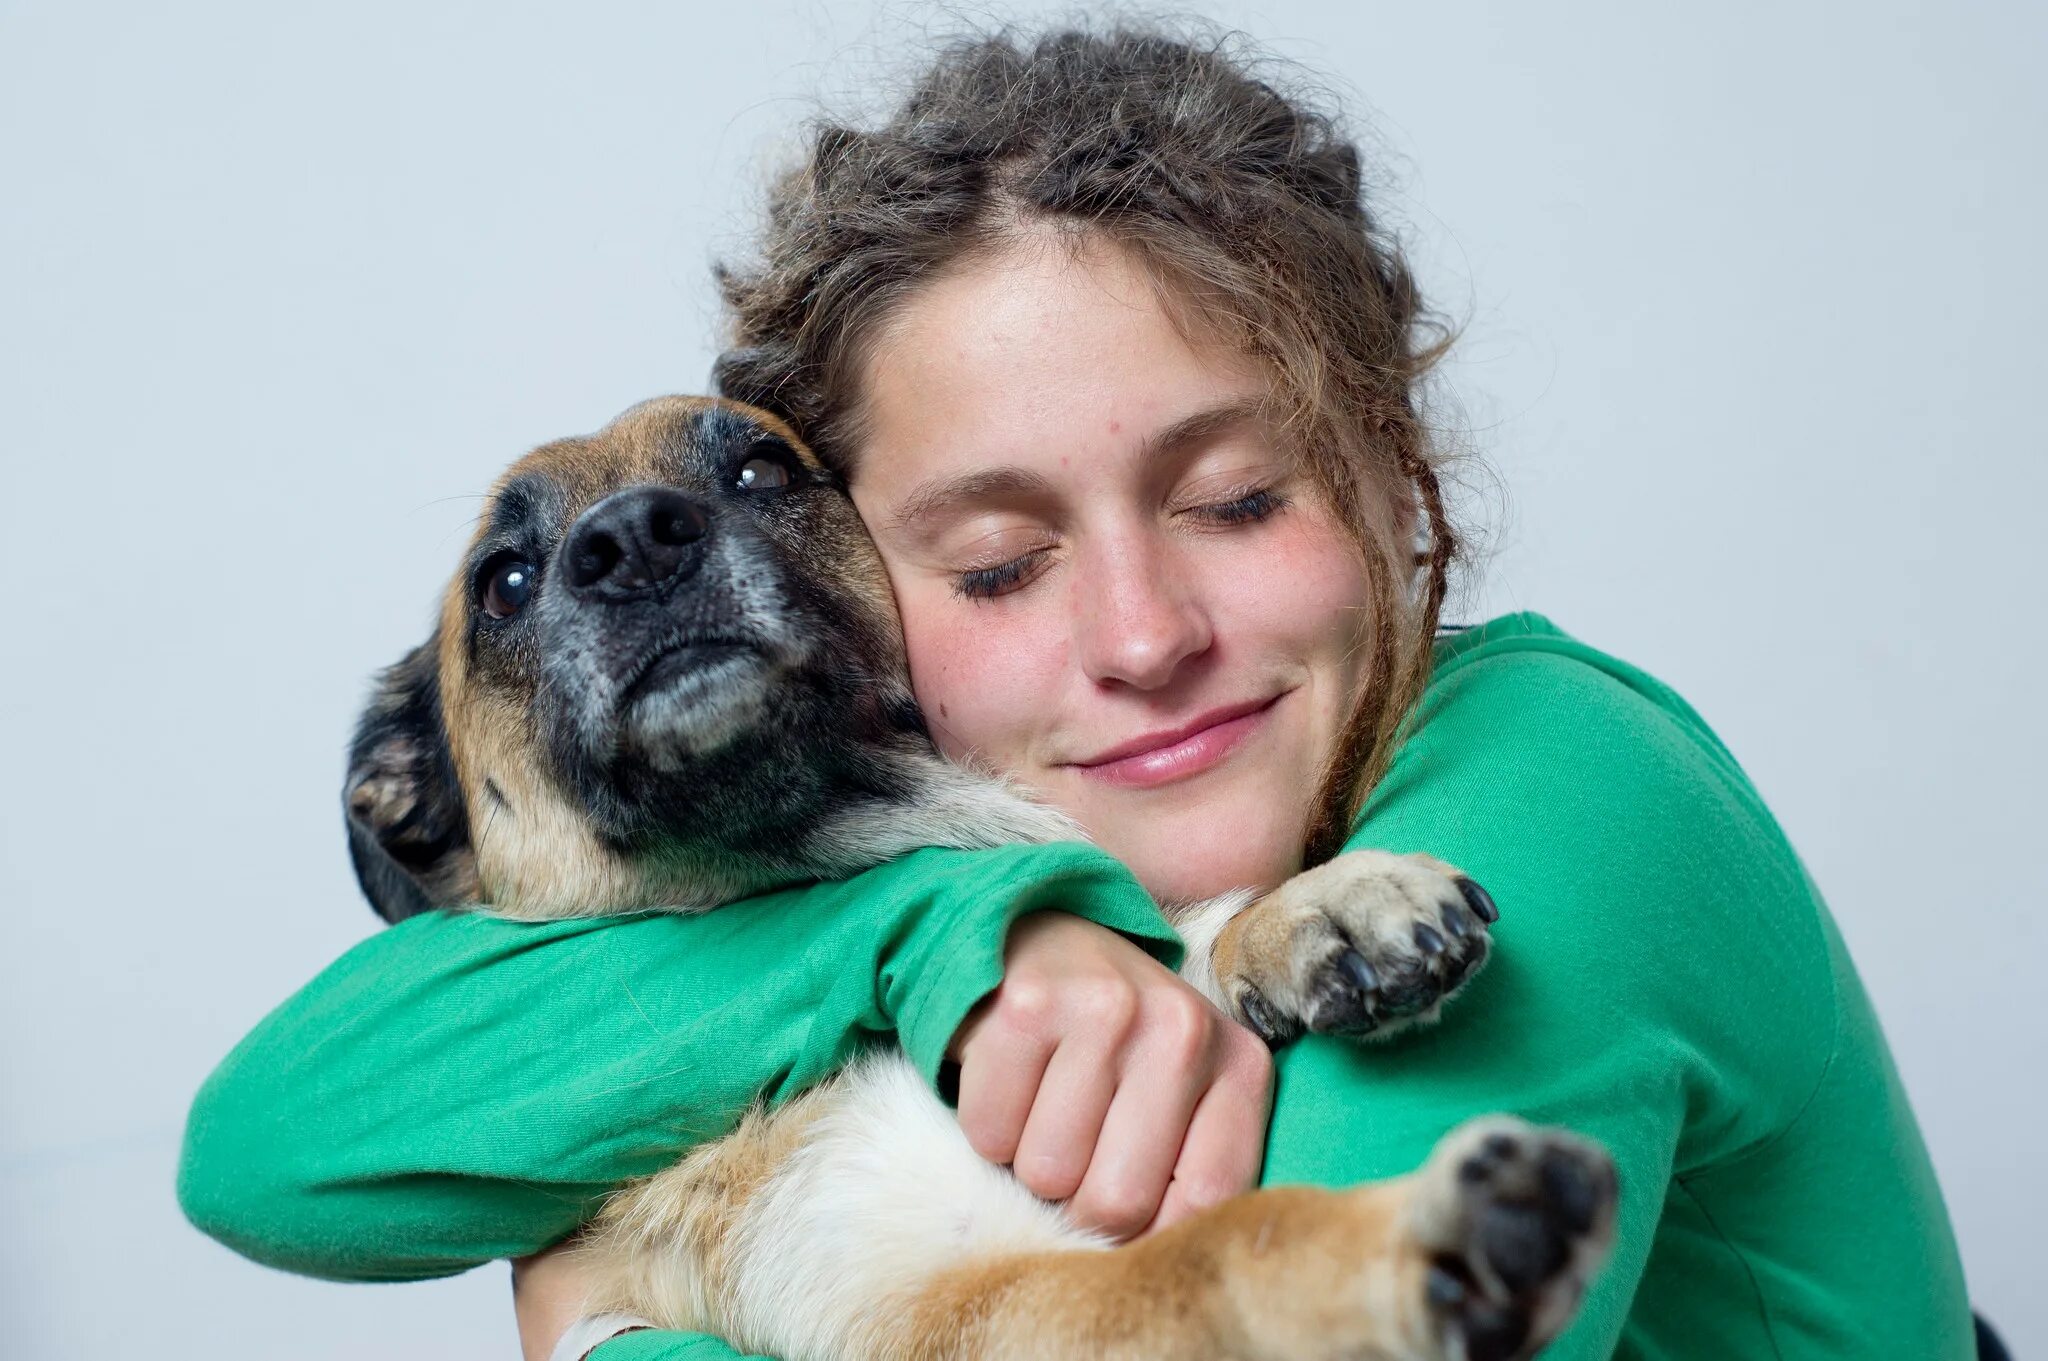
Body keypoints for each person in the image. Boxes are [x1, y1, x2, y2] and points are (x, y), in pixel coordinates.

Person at [177, 22, 1976, 1361]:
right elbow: (264, 1139)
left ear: (1394, 481)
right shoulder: (1026, 902)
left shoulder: (1562, 777)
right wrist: (947, 933)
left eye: (1237, 500)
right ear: (892, 603)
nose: (1142, 634)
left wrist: (606, 1339)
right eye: (996, 566)